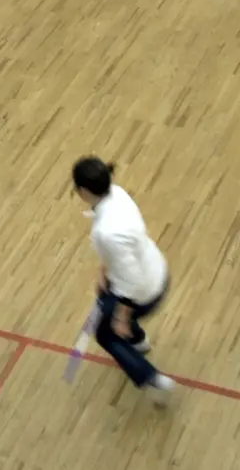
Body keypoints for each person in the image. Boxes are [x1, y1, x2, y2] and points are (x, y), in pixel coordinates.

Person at [72, 156, 175, 405]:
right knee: (107, 304)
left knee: (106, 333)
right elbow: (123, 249)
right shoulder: (117, 194)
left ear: (83, 191)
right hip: (156, 267)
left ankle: (153, 379)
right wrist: (105, 270)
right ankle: (139, 342)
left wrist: (123, 316)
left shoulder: (104, 232)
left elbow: (131, 276)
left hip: (144, 289)